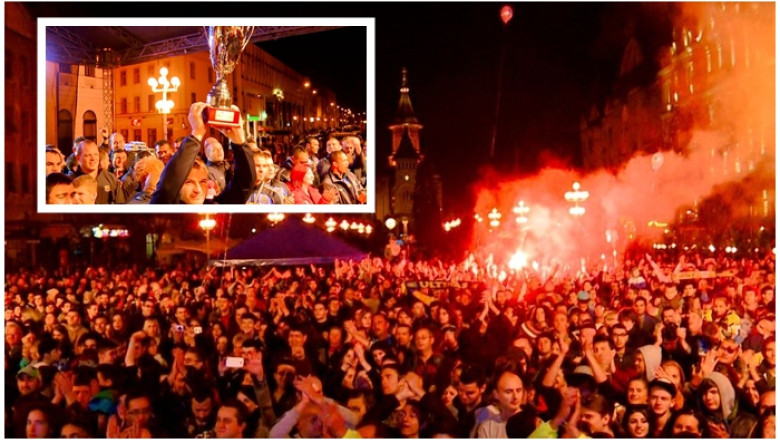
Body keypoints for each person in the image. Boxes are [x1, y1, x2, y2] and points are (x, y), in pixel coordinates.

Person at [151, 102, 255, 204]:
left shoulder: (214, 206)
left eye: (203, 182)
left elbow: (244, 184)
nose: (198, 189)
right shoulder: (165, 207)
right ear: (178, 184)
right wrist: (196, 134)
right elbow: (167, 188)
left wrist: (239, 141)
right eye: (189, 182)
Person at [70, 140, 131, 204]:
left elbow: (120, 206)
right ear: (78, 158)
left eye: (95, 154)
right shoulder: (70, 182)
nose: (93, 158)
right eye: (88, 155)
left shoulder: (111, 179)